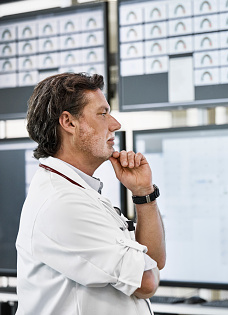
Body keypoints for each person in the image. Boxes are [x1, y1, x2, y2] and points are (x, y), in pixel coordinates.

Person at [16, 73, 166, 315]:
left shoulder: (79, 192)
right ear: (69, 123)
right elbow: (146, 282)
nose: (115, 124)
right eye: (102, 113)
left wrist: (143, 194)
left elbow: (155, 262)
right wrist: (146, 268)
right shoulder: (61, 202)